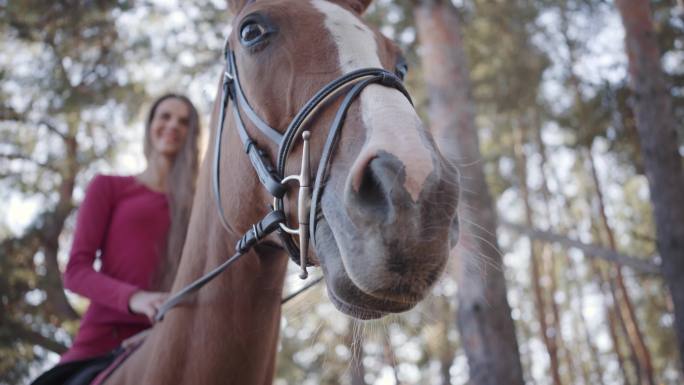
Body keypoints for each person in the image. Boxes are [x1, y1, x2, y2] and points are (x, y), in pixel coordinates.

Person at [59, 94, 201, 363]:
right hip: (101, 341)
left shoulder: (200, 209)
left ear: (192, 135)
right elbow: (76, 271)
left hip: (167, 343)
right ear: (150, 126)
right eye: (165, 116)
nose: (173, 125)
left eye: (184, 122)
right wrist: (135, 298)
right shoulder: (108, 187)